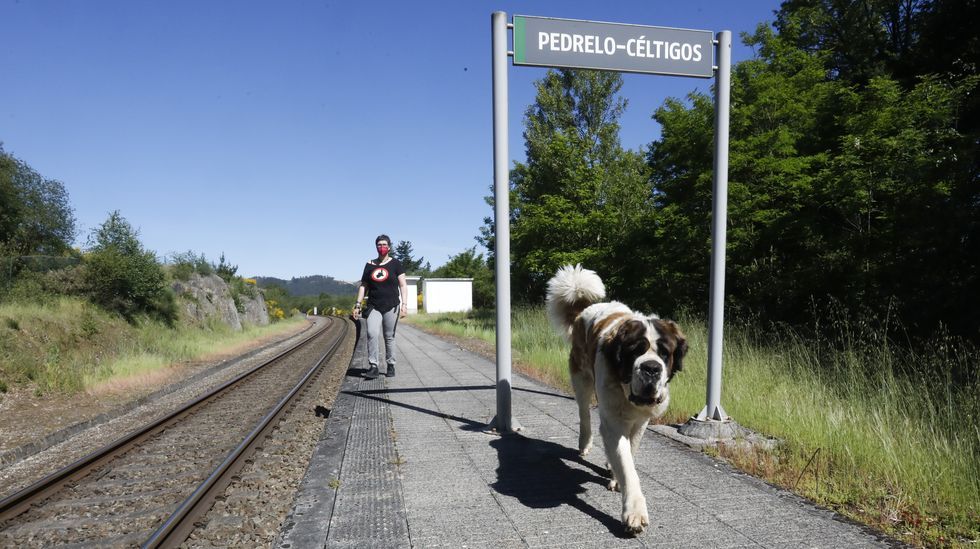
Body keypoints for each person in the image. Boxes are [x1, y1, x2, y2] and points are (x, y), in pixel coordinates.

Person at [351, 234, 408, 379]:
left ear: (389, 247)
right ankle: (374, 366)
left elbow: (403, 285)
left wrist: (404, 305)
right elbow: (363, 286)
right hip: (374, 306)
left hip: (391, 305)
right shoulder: (369, 265)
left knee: (389, 336)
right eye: (379, 245)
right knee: (371, 333)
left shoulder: (396, 264)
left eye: (384, 245)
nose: (382, 247)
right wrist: (357, 304)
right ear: (376, 247)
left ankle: (391, 365)